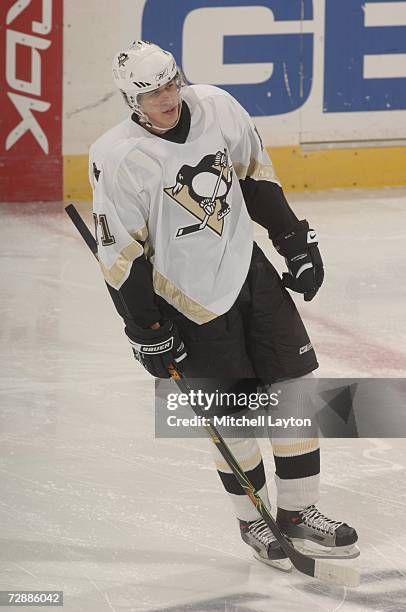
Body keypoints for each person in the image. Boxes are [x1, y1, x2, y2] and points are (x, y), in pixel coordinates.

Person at [89, 40, 358, 571]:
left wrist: (294, 242)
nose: (167, 99)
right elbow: (120, 255)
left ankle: (300, 513)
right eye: (151, 93)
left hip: (246, 271)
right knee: (231, 412)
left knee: (293, 391)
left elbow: (256, 179)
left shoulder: (218, 107)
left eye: (171, 84)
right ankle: (252, 518)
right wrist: (145, 328)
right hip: (185, 296)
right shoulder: (117, 156)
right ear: (130, 100)